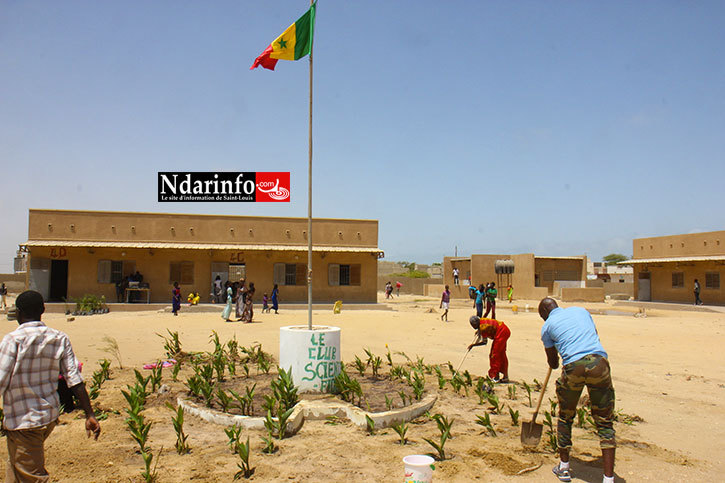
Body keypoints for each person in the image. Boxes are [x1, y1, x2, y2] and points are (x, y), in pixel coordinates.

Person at [0, 290, 101, 481]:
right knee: (16, 468)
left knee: (32, 475)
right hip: (47, 417)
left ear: (19, 313)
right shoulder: (59, 338)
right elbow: (74, 379)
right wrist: (90, 414)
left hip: (24, 421)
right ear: (43, 310)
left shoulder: (13, 340)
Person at [538, 298, 616, 483]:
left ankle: (564, 468)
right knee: (605, 421)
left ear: (544, 314)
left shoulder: (547, 327)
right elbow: (593, 334)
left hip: (574, 366)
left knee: (565, 416)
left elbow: (553, 363)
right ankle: (608, 479)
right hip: (599, 362)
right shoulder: (581, 311)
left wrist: (556, 354)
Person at [468, 315, 510, 382]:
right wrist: (479, 331)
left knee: (494, 355)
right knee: (501, 354)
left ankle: (496, 377)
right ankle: (505, 377)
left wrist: (473, 345)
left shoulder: (483, 328)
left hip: (501, 333)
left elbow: (484, 342)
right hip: (504, 330)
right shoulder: (481, 321)